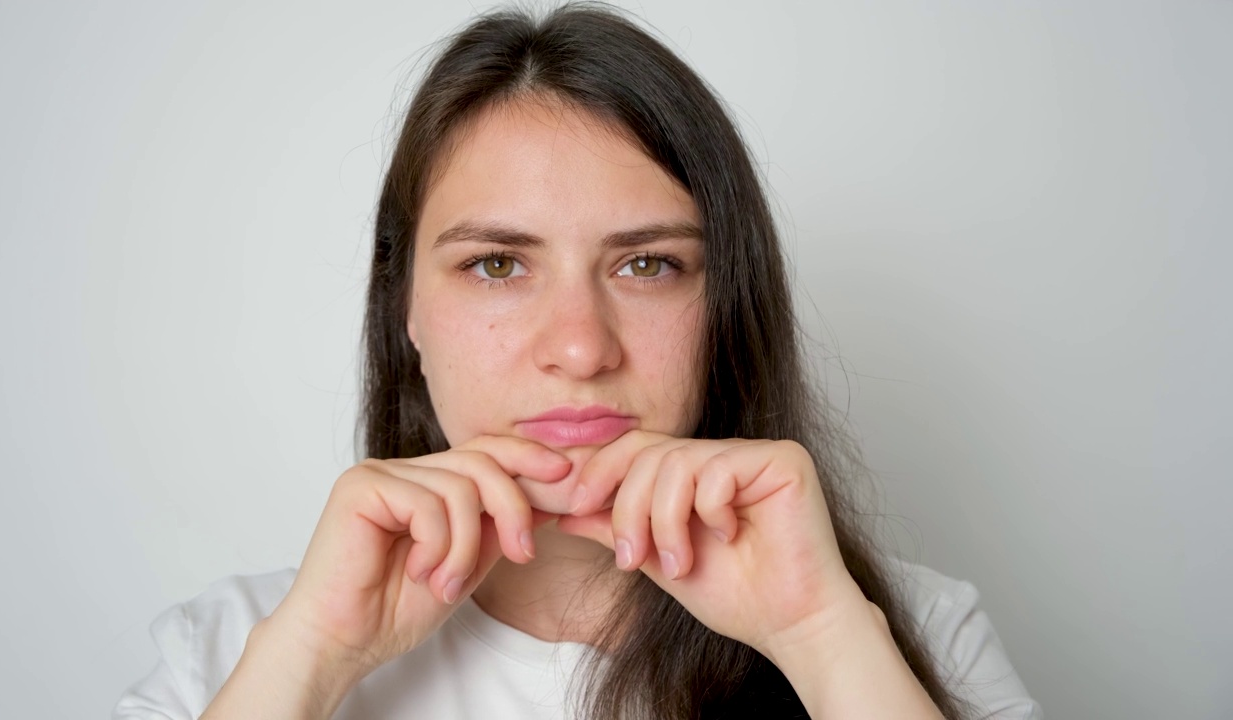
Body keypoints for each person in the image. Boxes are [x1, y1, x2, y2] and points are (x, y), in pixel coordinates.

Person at [114, 3, 1042, 718]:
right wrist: (312, 659)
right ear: (405, 307)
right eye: (497, 265)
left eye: (647, 265)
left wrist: (818, 638)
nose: (578, 347)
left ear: (727, 303)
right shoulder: (232, 652)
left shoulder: (911, 640)